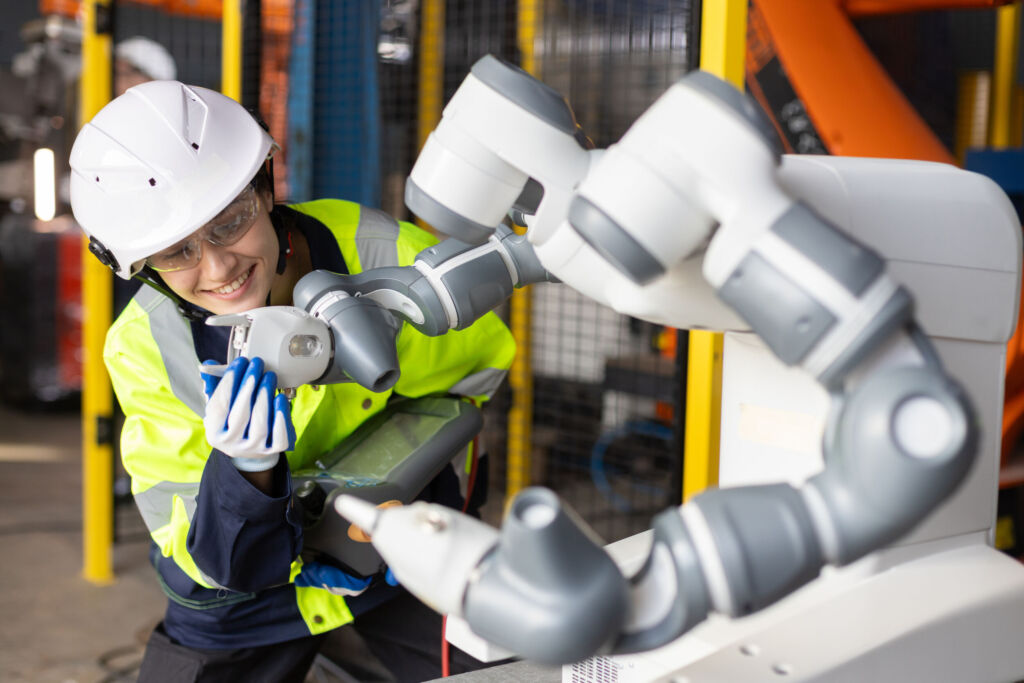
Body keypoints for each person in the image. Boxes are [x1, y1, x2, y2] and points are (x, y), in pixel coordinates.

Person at [69, 80, 516, 682]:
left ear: (266, 190)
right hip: (243, 597)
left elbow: (477, 370)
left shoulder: (379, 254)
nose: (219, 268)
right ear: (143, 268)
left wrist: (394, 500)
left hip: (388, 554)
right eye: (176, 252)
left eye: (229, 223)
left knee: (512, 664)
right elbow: (201, 549)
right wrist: (244, 478)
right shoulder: (145, 348)